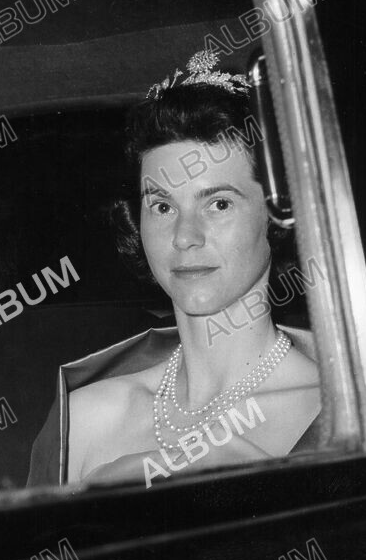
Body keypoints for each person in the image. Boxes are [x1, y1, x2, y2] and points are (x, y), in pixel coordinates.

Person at [27, 50, 321, 487]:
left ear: (275, 217)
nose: (185, 237)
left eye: (219, 204)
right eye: (163, 206)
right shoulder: (85, 418)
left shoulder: (335, 406)